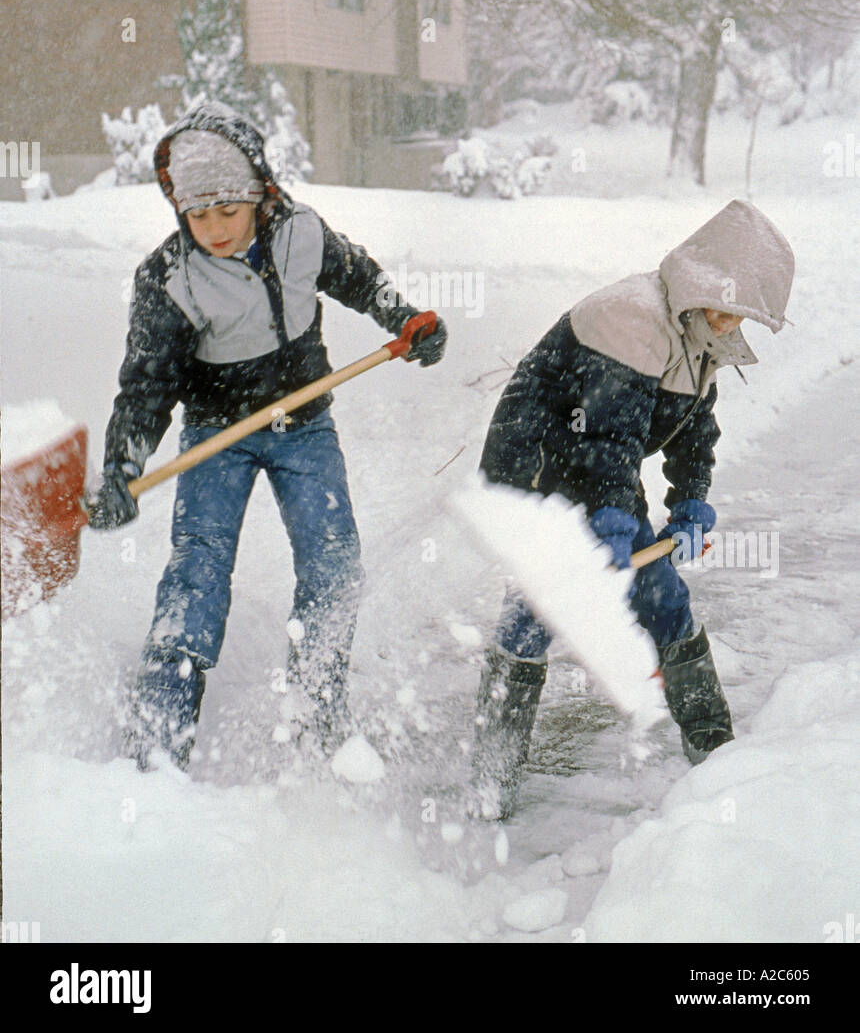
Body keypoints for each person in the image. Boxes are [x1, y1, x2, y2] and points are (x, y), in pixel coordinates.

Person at [87, 102, 447, 771]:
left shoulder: (302, 233)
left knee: (334, 559)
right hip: (216, 433)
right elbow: (145, 386)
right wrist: (122, 465)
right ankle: (158, 739)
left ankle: (317, 705)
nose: (215, 229)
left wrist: (405, 317)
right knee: (197, 568)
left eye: (228, 209)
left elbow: (359, 278)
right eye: (198, 215)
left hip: (303, 426)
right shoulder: (168, 278)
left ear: (258, 193)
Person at [470, 198, 794, 819]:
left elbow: (695, 426)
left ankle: (716, 748)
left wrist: (692, 494)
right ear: (700, 281)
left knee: (660, 595)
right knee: (540, 606)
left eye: (740, 314)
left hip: (595, 468)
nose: (729, 322)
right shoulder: (634, 315)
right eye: (724, 306)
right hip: (537, 460)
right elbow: (606, 433)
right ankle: (491, 781)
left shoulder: (700, 331)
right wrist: (615, 516)